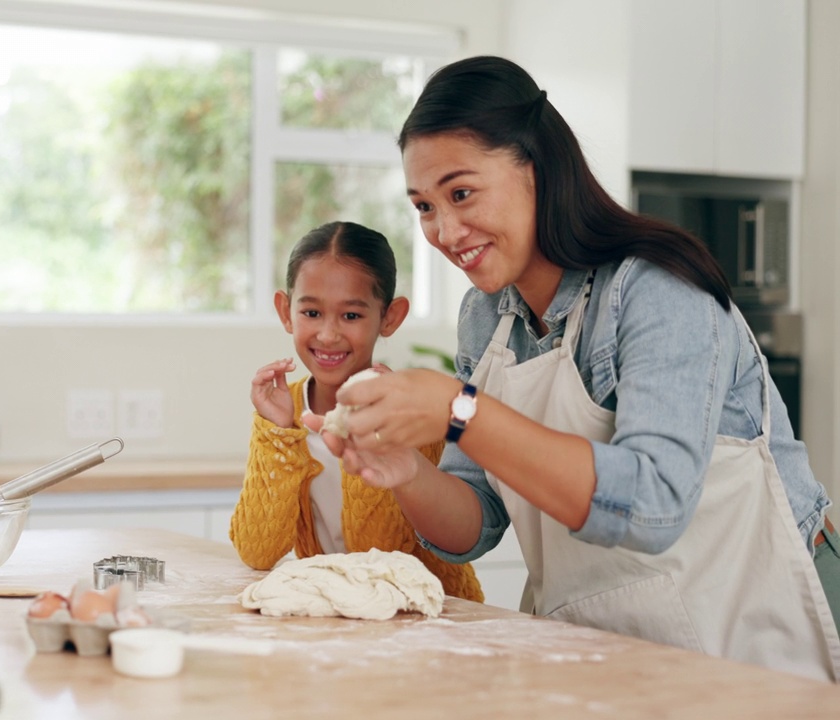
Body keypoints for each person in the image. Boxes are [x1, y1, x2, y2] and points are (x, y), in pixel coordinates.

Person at [303, 55, 840, 681]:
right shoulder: (487, 317)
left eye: (461, 192)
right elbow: (474, 524)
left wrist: (456, 408)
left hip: (758, 630)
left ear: (536, 169)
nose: (445, 230)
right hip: (613, 647)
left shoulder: (656, 287)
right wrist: (404, 476)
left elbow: (653, 505)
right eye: (424, 206)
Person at [229, 220, 483, 601]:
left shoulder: (412, 411)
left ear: (390, 317)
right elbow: (257, 551)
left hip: (432, 621)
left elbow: (382, 553)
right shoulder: (284, 413)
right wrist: (277, 433)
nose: (328, 335)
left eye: (351, 316)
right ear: (286, 311)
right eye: (311, 313)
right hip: (345, 625)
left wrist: (375, 434)